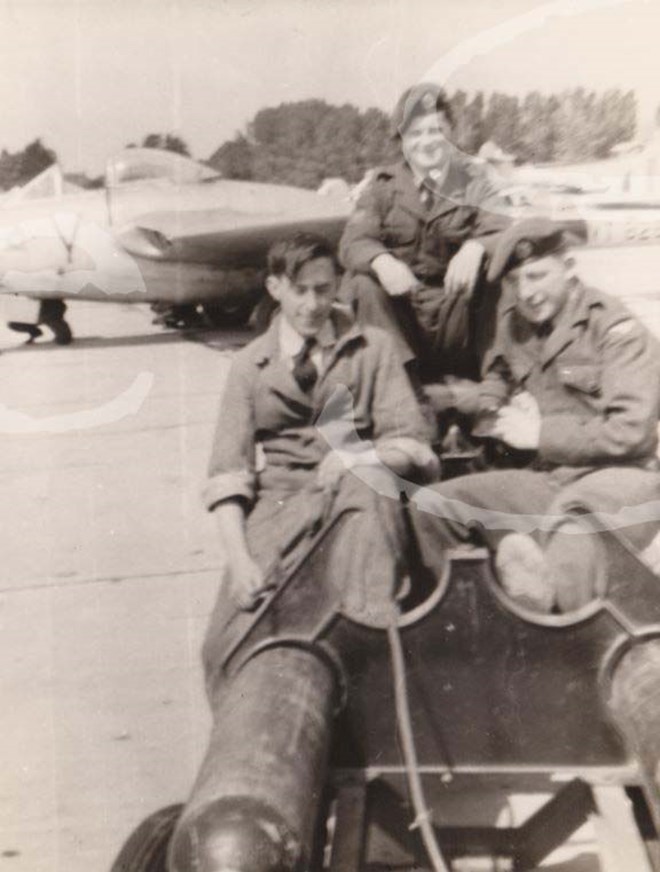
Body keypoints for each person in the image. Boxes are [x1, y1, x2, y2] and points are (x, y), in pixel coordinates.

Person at [201, 231, 439, 686]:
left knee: (367, 605)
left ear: (337, 286)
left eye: (323, 290)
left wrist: (359, 456)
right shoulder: (249, 366)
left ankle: (376, 673)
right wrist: (240, 562)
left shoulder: (372, 348)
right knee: (223, 648)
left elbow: (410, 442)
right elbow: (228, 476)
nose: (312, 305)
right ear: (275, 288)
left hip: (363, 502)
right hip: (282, 506)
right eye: (300, 290)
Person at [411, 217, 660, 613]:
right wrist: (478, 410)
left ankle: (558, 643)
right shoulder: (516, 327)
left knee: (572, 526)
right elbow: (500, 377)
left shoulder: (614, 328)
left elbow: (632, 432)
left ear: (568, 266)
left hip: (623, 479)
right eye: (515, 282)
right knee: (433, 506)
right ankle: (471, 626)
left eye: (537, 276)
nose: (527, 293)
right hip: (552, 478)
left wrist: (541, 434)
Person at [339, 83, 509, 386]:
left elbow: (503, 225)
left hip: (456, 313)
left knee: (498, 273)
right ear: (402, 139)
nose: (427, 142)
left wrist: (475, 247)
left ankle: (494, 384)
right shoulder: (382, 186)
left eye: (435, 130)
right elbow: (354, 240)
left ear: (451, 132)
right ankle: (401, 386)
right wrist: (382, 261)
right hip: (401, 316)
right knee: (362, 283)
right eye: (416, 133)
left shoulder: (474, 180)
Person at [7, 298, 72, 345]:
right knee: (13, 324)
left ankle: (63, 336)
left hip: (51, 303)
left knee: (50, 317)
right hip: (37, 303)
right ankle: (35, 332)